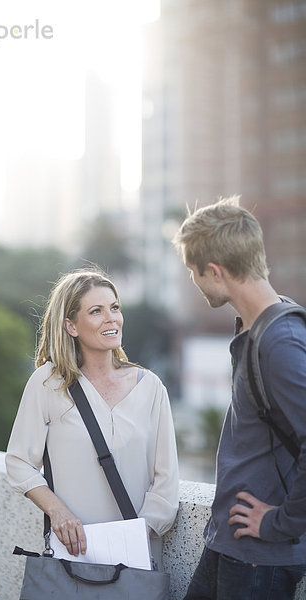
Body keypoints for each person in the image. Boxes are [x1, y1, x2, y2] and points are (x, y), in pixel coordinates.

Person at [173, 196, 306, 600]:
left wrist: (278, 523)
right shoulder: (259, 328)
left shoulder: (280, 342)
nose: (192, 282)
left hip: (259, 560)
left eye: (192, 272)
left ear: (214, 271)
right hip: (230, 545)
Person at [5, 268, 179, 568]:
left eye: (114, 308)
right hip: (72, 554)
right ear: (71, 326)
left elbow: (165, 481)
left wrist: (133, 538)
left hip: (135, 558)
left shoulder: (150, 387)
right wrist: (57, 511)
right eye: (96, 311)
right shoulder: (48, 382)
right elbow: (19, 462)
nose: (111, 318)